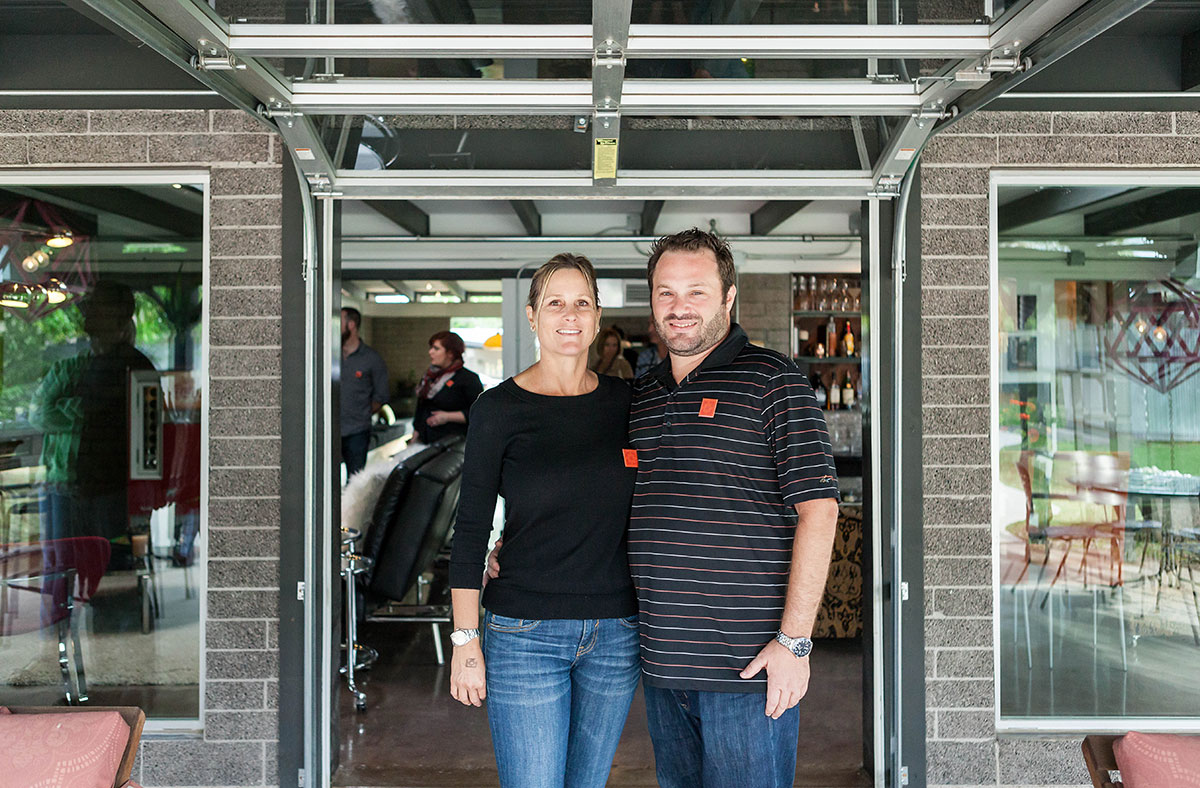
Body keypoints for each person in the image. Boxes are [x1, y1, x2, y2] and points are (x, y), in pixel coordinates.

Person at [630, 228, 840, 787]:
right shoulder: (644, 392)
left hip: (748, 665)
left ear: (728, 298)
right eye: (665, 293)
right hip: (662, 661)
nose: (679, 308)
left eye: (696, 292)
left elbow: (819, 511)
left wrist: (795, 642)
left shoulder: (775, 381)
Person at [448, 253, 640, 788]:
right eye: (555, 302)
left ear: (599, 317)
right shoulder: (498, 408)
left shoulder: (628, 402)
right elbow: (470, 530)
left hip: (615, 632)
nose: (570, 314)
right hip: (524, 631)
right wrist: (466, 641)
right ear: (532, 316)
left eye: (582, 302)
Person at [340, 306, 388, 477]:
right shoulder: (329, 355)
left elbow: (381, 396)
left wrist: (362, 414)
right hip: (329, 430)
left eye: (340, 321)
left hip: (357, 432)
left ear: (351, 325)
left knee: (355, 480)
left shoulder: (372, 359)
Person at [411, 330, 483, 445]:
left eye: (436, 349)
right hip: (425, 442)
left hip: (453, 445)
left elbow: (479, 414)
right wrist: (415, 435)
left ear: (450, 353)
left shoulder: (468, 379)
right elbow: (421, 409)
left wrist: (447, 417)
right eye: (431, 348)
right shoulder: (429, 377)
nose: (430, 352)